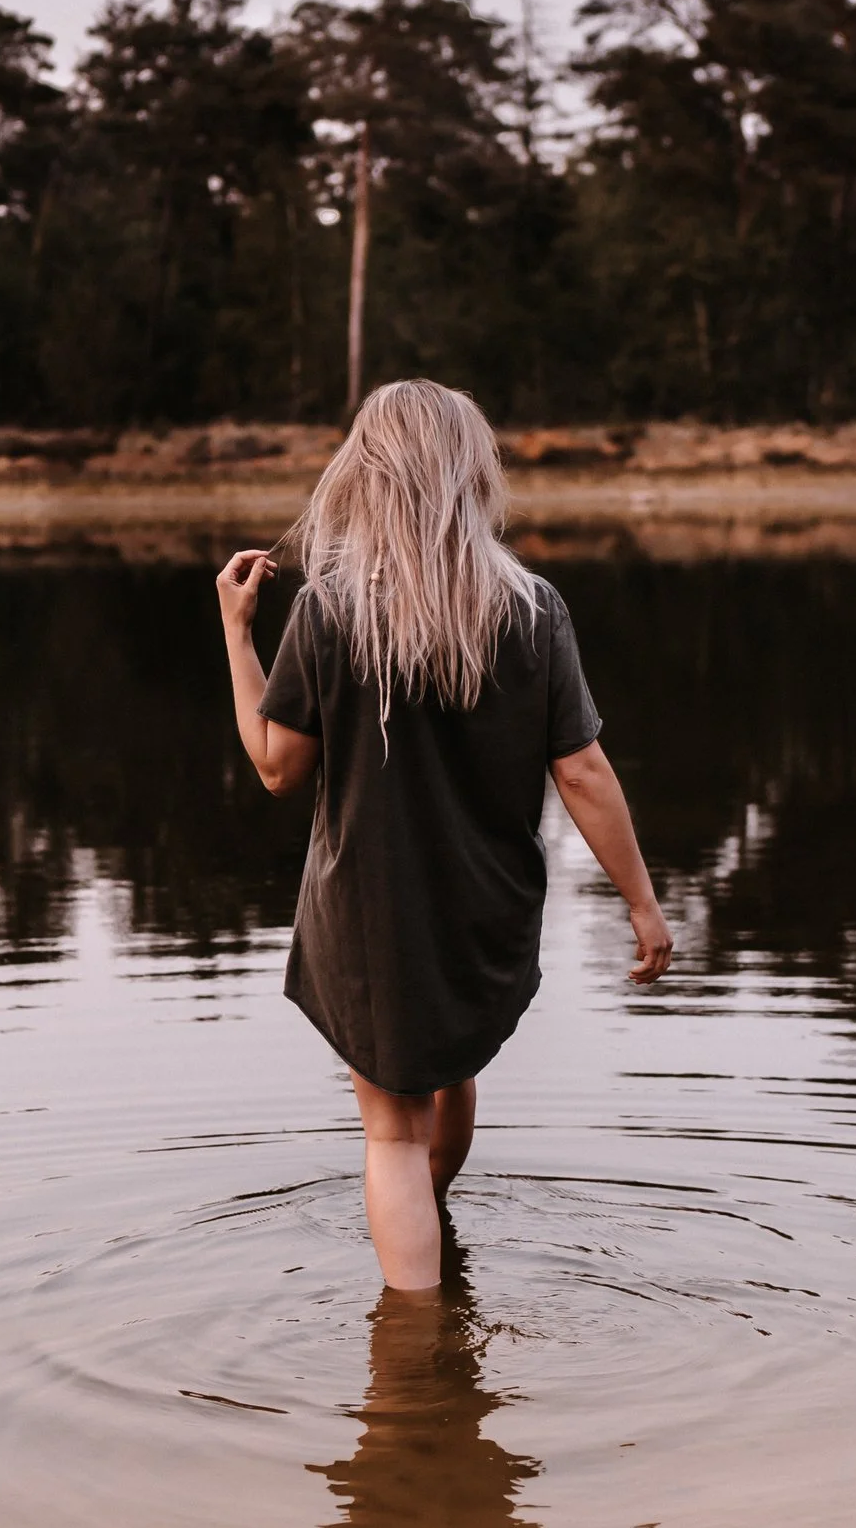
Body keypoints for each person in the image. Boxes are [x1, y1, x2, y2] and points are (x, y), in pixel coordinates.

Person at [215, 379, 673, 1291]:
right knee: (453, 1069)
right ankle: (432, 1227)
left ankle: (415, 1362)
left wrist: (236, 633)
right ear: (473, 475)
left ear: (365, 475)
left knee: (390, 1131)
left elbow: (275, 766)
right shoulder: (534, 608)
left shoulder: (332, 609)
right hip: (484, 909)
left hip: (371, 917)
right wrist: (644, 904)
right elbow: (582, 771)